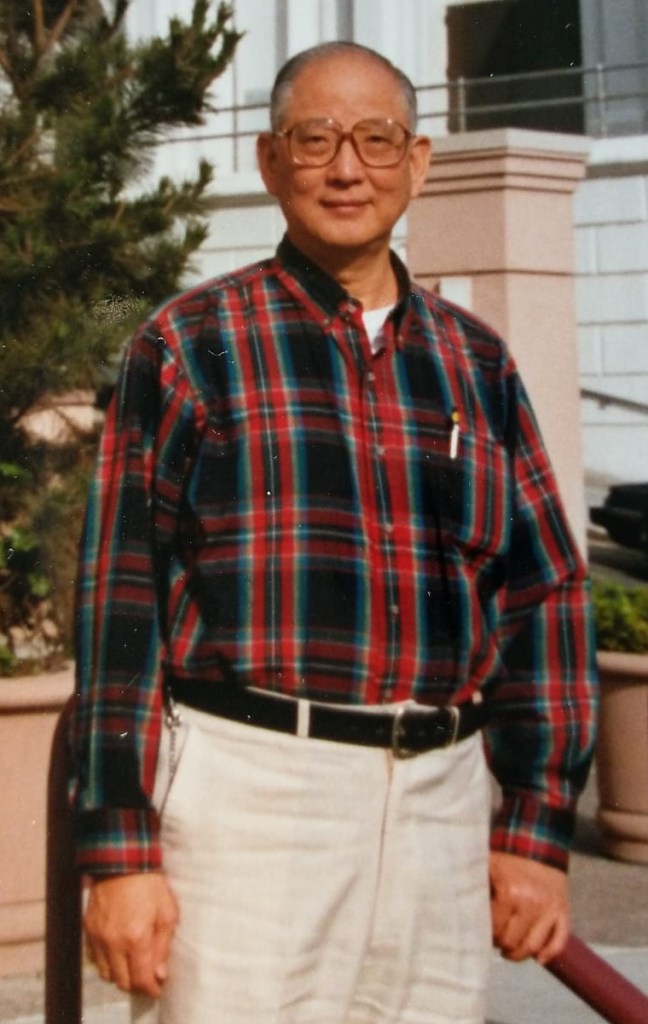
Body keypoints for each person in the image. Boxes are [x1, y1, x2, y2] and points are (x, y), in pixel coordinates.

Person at [71, 41, 598, 1024]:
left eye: (376, 140)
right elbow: (121, 600)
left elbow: (546, 593)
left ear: (418, 162)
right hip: (252, 801)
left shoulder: (475, 362)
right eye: (315, 140)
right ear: (272, 163)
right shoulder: (190, 345)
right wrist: (119, 850)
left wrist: (536, 829)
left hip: (441, 808)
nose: (347, 168)